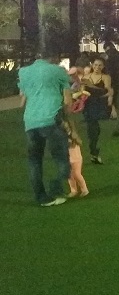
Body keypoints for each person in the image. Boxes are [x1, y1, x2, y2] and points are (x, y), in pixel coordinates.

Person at [18, 47, 73, 206]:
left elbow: (23, 98)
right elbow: (68, 101)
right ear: (54, 57)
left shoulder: (23, 72)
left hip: (30, 120)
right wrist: (68, 121)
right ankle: (56, 189)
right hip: (51, 118)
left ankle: (41, 197)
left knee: (34, 160)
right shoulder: (59, 71)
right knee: (62, 159)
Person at [81, 57, 115, 164]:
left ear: (103, 67)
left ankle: (94, 151)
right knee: (92, 128)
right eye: (95, 65)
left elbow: (108, 91)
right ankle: (94, 152)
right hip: (89, 105)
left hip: (99, 105)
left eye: (100, 65)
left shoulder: (105, 77)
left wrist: (111, 104)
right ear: (92, 65)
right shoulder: (86, 77)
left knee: (95, 129)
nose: (97, 67)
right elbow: (82, 92)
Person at [63, 118, 89, 198]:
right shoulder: (61, 136)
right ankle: (73, 190)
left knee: (77, 174)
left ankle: (84, 189)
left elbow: (80, 142)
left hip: (76, 158)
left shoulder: (73, 134)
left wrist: (74, 139)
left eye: (66, 126)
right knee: (70, 175)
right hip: (67, 158)